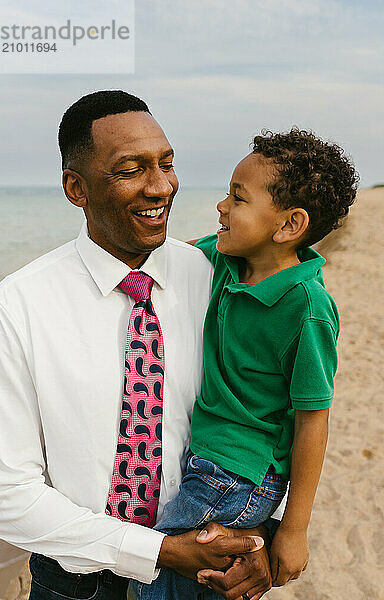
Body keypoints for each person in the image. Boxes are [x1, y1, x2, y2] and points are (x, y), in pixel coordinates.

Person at [0, 90, 277, 600]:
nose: (160, 187)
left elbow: (269, 409)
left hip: (205, 574)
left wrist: (264, 535)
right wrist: (156, 551)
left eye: (167, 164)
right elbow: (5, 492)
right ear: (76, 188)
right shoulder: (15, 307)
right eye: (131, 170)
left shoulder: (213, 279)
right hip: (76, 585)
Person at [127, 128, 359, 599]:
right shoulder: (222, 258)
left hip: (238, 476)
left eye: (238, 197)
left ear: (290, 225)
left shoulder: (306, 307)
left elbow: (313, 420)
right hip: (208, 460)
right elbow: (161, 262)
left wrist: (294, 528)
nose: (221, 206)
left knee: (156, 572)